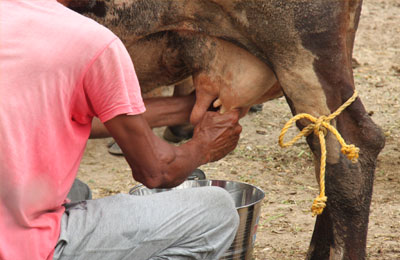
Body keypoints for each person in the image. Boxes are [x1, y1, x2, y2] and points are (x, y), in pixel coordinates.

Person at [0, 1, 242, 259]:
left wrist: (187, 107)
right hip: (19, 244)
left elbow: (59, 116)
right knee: (217, 211)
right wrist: (204, 145)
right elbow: (158, 171)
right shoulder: (91, 43)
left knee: (77, 190)